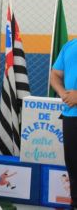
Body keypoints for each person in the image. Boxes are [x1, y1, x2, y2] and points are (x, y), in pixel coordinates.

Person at [50, 39, 77, 210]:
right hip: (71, 116)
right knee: (73, 163)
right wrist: (62, 93)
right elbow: (55, 75)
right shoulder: (70, 46)